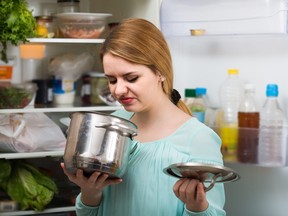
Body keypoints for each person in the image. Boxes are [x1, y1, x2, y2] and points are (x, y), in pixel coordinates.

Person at [62, 18, 226, 216]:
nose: (119, 90)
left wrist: (196, 208)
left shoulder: (198, 139)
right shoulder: (114, 123)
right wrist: (90, 192)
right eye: (112, 80)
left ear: (160, 72)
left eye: (131, 78)